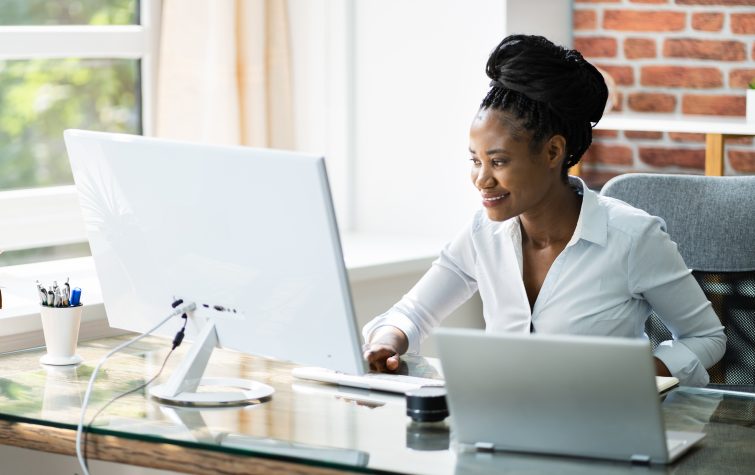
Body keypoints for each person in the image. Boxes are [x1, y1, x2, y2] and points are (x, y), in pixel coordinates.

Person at [361, 35, 726, 387]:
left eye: (499, 162)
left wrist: (639, 374)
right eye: (475, 161)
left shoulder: (632, 237)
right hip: (503, 426)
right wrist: (388, 341)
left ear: (552, 152)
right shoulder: (481, 235)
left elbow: (706, 336)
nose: (481, 180)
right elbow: (412, 313)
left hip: (602, 430)